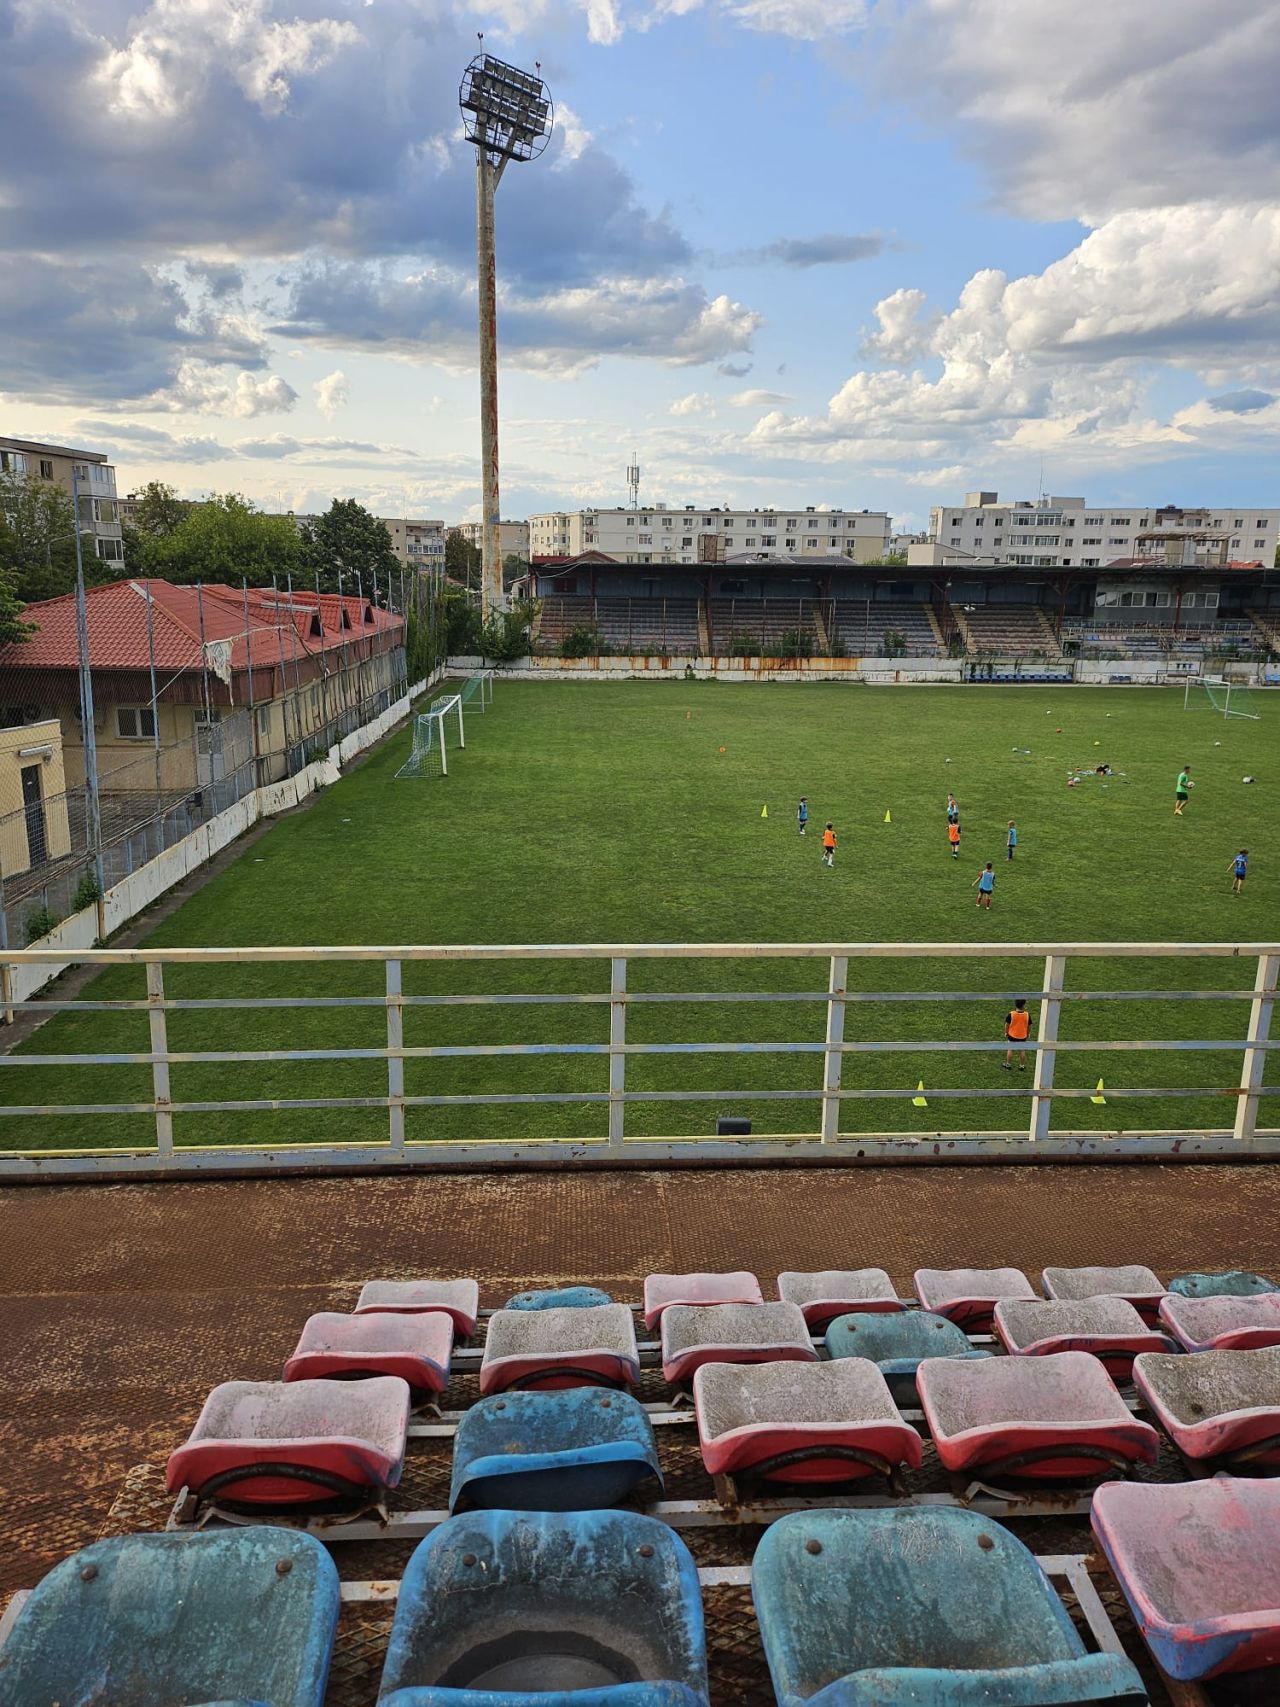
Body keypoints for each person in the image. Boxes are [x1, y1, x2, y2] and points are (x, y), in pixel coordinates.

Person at [1003, 997, 1031, 1069]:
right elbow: (1029, 1026)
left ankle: (1008, 1064)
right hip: (1023, 1036)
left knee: (1010, 1049)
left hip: (1012, 1035)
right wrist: (1028, 1033)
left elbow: (1007, 1024)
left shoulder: (1011, 1014)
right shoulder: (1027, 1015)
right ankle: (1022, 1066)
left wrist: (1006, 1032)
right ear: (1023, 1005)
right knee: (1022, 1050)